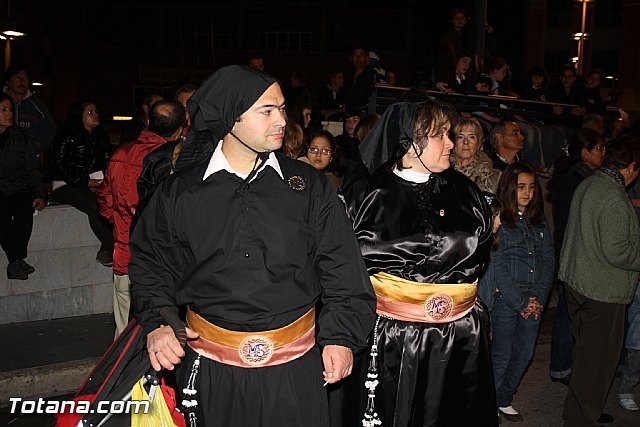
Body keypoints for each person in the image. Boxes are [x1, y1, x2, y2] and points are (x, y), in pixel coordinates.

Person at [128, 65, 376, 426]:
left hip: (296, 369)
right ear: (231, 118)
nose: (282, 120)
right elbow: (151, 264)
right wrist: (158, 320)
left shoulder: (309, 186)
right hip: (209, 370)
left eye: (282, 108)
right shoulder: (179, 191)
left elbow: (342, 267)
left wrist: (341, 335)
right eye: (267, 110)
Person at [344, 100, 497, 426]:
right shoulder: (369, 196)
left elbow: (482, 254)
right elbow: (344, 270)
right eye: (441, 135)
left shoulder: (466, 192)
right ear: (410, 142)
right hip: (395, 339)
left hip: (460, 335)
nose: (452, 143)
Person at [559, 135, 640, 426]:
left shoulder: (589, 183)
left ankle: (581, 412)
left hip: (578, 284)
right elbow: (618, 252)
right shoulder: (614, 196)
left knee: (586, 361)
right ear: (630, 167)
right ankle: (581, 418)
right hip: (602, 293)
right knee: (597, 366)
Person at [97, 100, 186, 337]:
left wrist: (120, 222)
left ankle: (120, 372)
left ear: (148, 122)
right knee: (158, 328)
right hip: (158, 260)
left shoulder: (121, 152)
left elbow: (104, 198)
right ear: (180, 129)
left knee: (122, 327)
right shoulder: (171, 160)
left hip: (124, 252)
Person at [479, 162, 555, 423]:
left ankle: (504, 397)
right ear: (510, 187)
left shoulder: (538, 220)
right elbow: (497, 264)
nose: (528, 193)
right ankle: (490, 404)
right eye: (521, 187)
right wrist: (521, 301)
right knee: (502, 354)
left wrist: (539, 298)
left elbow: (548, 260)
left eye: (532, 187)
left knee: (525, 353)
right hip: (506, 298)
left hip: (534, 297)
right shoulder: (502, 220)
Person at [547, 128, 605, 386]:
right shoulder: (574, 181)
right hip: (573, 252)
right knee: (567, 312)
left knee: (570, 311)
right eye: (599, 148)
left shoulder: (582, 177)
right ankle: (561, 366)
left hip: (575, 251)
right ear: (585, 153)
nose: (603, 153)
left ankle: (565, 365)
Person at [51, 98, 114, 266]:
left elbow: (108, 162)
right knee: (95, 207)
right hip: (66, 185)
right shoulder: (65, 136)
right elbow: (58, 165)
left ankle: (105, 250)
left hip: (94, 183)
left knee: (115, 204)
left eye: (96, 112)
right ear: (79, 115)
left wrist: (104, 182)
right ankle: (114, 251)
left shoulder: (101, 136)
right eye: (89, 112)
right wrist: (85, 181)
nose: (95, 115)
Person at [0, 92, 46, 280]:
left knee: (24, 210)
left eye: (10, 109)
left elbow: (32, 169)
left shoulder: (20, 138)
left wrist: (40, 194)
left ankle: (15, 262)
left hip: (17, 187)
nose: (9, 113)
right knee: (1, 214)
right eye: (3, 110)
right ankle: (16, 260)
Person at [2, 64, 57, 153]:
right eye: (18, 77)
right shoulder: (1, 101)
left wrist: (36, 146)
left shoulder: (37, 104)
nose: (22, 81)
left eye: (25, 77)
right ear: (8, 81)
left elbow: (50, 128)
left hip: (28, 160)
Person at [450, 117, 501, 193]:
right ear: (452, 142)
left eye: (471, 137)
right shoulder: (440, 172)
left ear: (479, 143)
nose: (466, 142)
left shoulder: (495, 177)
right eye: (460, 137)